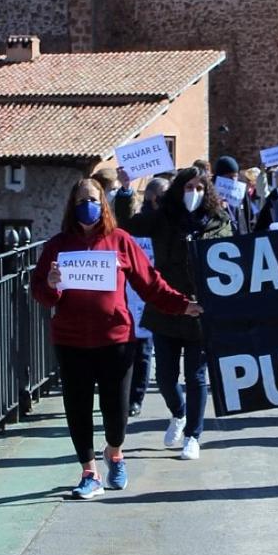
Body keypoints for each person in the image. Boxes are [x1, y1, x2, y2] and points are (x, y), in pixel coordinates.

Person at [31, 177, 200, 497]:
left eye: (93, 199)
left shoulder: (120, 240)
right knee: (77, 408)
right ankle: (89, 472)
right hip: (71, 341)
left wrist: (183, 306)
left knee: (117, 411)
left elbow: (150, 284)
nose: (87, 206)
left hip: (116, 340)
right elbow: (40, 292)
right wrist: (52, 284)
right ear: (72, 206)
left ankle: (115, 452)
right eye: (81, 201)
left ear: (103, 204)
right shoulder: (57, 245)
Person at [141, 166, 233, 460]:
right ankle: (178, 413)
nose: (194, 193)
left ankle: (193, 435)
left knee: (196, 376)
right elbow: (127, 224)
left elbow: (234, 258)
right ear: (179, 189)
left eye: (200, 188)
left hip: (202, 308)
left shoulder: (219, 221)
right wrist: (128, 192)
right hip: (167, 306)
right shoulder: (162, 219)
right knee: (166, 378)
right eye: (189, 187)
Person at [123, 175, 171, 417]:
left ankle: (137, 398)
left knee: (145, 352)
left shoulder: (170, 224)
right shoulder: (136, 224)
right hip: (131, 294)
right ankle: (125, 395)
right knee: (129, 350)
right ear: (152, 198)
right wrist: (124, 189)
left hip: (157, 294)